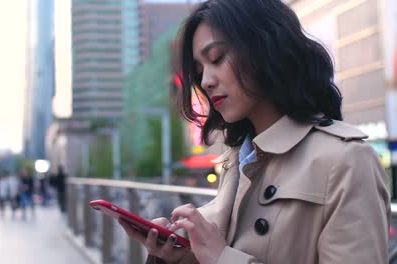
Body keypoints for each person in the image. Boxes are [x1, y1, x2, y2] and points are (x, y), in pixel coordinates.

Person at [118, 1, 391, 263]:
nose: (205, 81)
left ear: (266, 48)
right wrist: (183, 257)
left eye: (217, 58)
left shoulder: (348, 161)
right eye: (199, 70)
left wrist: (221, 258)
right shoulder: (238, 157)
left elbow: (225, 256)